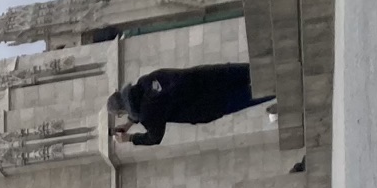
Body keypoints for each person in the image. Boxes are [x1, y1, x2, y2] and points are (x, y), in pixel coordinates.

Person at [106, 63, 273, 146]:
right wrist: (129, 122)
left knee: (255, 93)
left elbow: (154, 137)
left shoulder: (147, 115)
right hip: (209, 77)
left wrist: (130, 138)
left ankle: (283, 85)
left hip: (210, 104)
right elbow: (143, 99)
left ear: (122, 111)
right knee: (255, 69)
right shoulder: (145, 81)